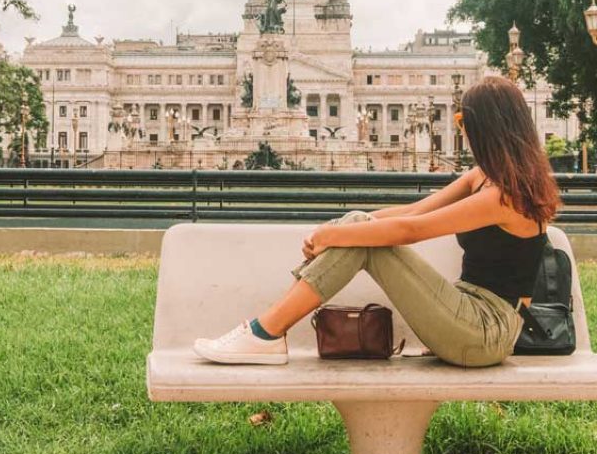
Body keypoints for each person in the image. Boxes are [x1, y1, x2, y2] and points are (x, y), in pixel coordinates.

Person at [193, 76, 560, 368]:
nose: (460, 129)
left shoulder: (506, 196)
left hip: (486, 331)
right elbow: (415, 211)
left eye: (463, 120)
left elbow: (411, 231)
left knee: (362, 237)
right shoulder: (484, 176)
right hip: (464, 311)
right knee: (359, 226)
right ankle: (266, 332)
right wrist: (341, 228)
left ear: (488, 128)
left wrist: (337, 234)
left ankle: (266, 332)